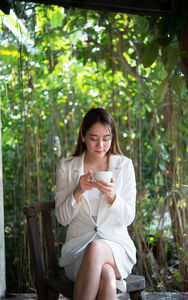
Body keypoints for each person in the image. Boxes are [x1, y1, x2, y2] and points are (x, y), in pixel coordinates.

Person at [55, 107, 137, 300]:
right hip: (77, 250)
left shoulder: (124, 166)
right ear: (83, 136)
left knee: (97, 248)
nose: (100, 144)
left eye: (106, 138)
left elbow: (128, 218)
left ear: (112, 137)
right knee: (106, 275)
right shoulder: (67, 167)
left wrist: (112, 197)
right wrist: (78, 191)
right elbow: (62, 218)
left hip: (117, 248)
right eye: (93, 138)